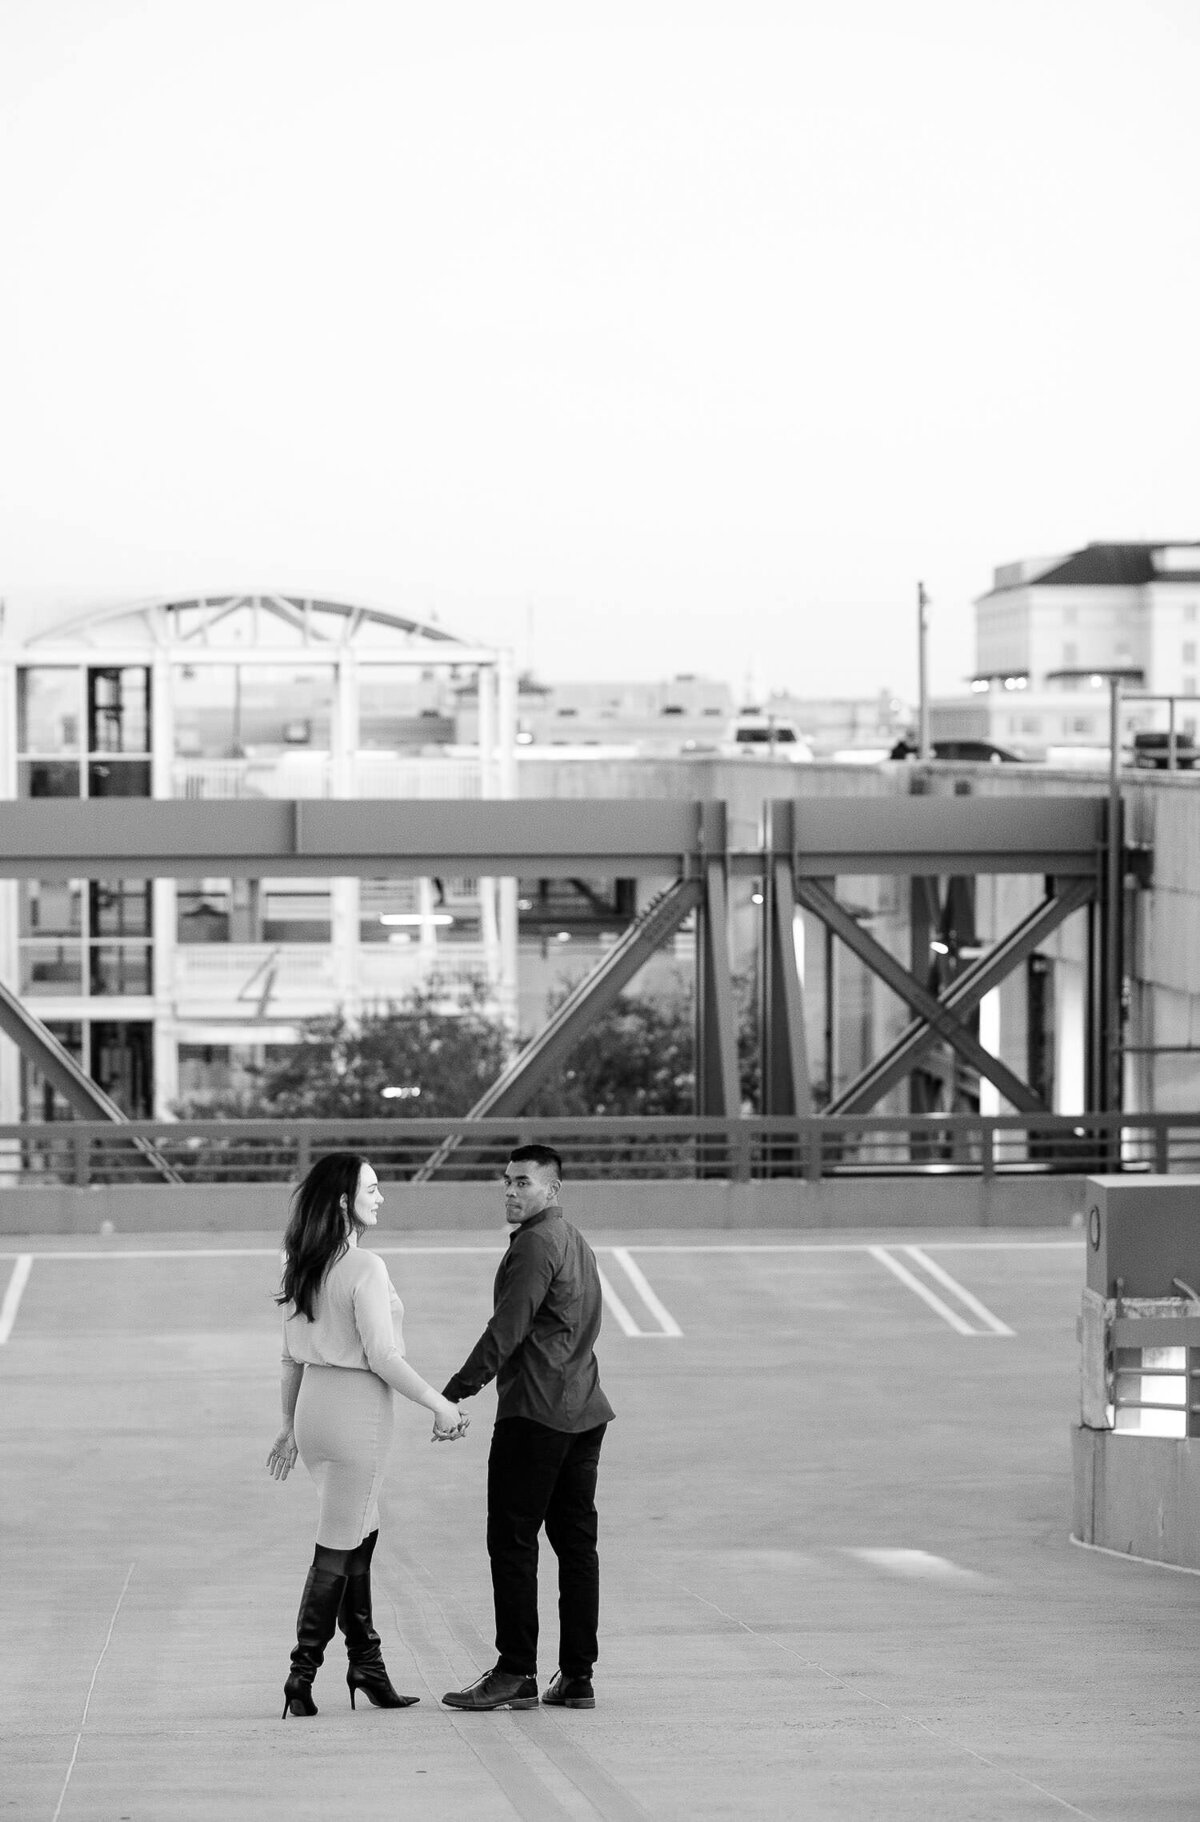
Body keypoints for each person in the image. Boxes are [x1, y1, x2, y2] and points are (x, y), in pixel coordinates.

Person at [266, 1151, 468, 1719]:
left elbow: (288, 1357)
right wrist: (440, 1404)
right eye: (372, 1189)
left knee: (360, 1533)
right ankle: (299, 1676)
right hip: (357, 1413)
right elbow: (382, 1356)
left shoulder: (300, 1263)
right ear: (342, 1201)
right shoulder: (365, 1268)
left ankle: (368, 1665)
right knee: (337, 1544)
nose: (380, 1198)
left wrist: (288, 1427)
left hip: (314, 1410)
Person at [439, 1144, 614, 1713]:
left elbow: (506, 1329)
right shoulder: (573, 1240)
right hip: (583, 1411)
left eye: (524, 1183)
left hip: (537, 1414)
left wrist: (453, 1392)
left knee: (512, 1543)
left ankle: (516, 1671)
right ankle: (578, 1676)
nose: (511, 1192)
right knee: (575, 1546)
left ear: (553, 1189)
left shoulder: (537, 1244)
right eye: (507, 1182)